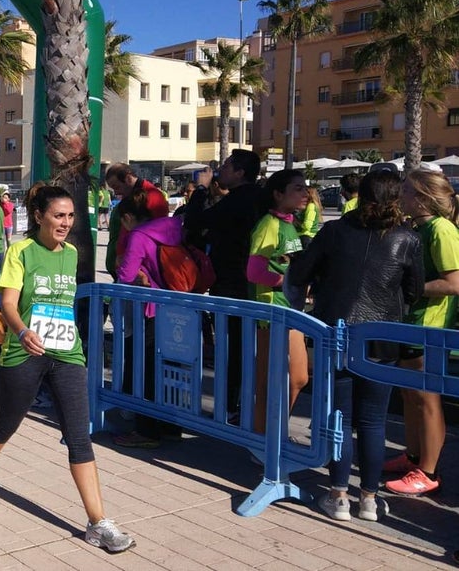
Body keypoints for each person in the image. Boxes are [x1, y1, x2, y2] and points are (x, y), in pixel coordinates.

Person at [0, 184, 136, 554]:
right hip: (24, 351)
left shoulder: (71, 253)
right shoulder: (20, 252)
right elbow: (7, 302)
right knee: (7, 423)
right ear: (39, 215)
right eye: (59, 215)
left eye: (70, 216)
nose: (65, 223)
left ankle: (98, 522)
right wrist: (22, 332)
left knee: (79, 436)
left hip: (66, 353)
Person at [289, 170, 423, 522]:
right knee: (374, 421)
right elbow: (414, 291)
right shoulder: (407, 238)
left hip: (338, 333)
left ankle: (338, 495)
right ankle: (368, 498)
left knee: (341, 419)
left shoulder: (335, 231)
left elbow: (300, 273)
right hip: (382, 337)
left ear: (359, 196)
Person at [385, 168, 459, 497]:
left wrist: (409, 290)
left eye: (407, 191)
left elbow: (454, 283)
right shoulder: (419, 227)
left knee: (427, 399)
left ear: (423, 197)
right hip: (412, 322)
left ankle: (427, 471)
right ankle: (413, 456)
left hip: (430, 327)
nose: (401, 196)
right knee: (410, 396)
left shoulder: (442, 230)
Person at [180, 149, 261, 420]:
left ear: (239, 172)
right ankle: (238, 405)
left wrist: (201, 189)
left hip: (231, 282)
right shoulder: (255, 198)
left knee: (233, 346)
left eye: (226, 166)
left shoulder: (239, 200)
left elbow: (196, 220)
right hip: (245, 282)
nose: (219, 171)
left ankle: (231, 407)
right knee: (241, 345)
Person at [110, 194, 187, 448]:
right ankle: (172, 426)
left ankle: (146, 430)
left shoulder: (139, 235)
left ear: (129, 218)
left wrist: (125, 266)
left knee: (147, 369)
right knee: (172, 369)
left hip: (153, 310)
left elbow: (126, 275)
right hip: (181, 307)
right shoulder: (173, 226)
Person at [247, 169, 310, 435]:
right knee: (271, 382)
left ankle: (273, 435)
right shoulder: (268, 224)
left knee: (297, 378)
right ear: (278, 193)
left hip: (291, 309)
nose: (305, 193)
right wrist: (289, 280)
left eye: (305, 187)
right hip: (271, 312)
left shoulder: (290, 223)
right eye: (297, 188)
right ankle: (264, 441)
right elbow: (253, 272)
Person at [103, 163, 168, 279]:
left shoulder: (153, 196)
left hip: (138, 269)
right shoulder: (130, 195)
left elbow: (158, 234)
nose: (116, 192)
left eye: (116, 187)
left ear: (128, 178)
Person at [297, 185, 323, 249]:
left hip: (306, 237)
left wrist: (296, 223)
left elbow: (307, 225)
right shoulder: (310, 206)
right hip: (307, 237)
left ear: (309, 194)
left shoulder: (311, 206)